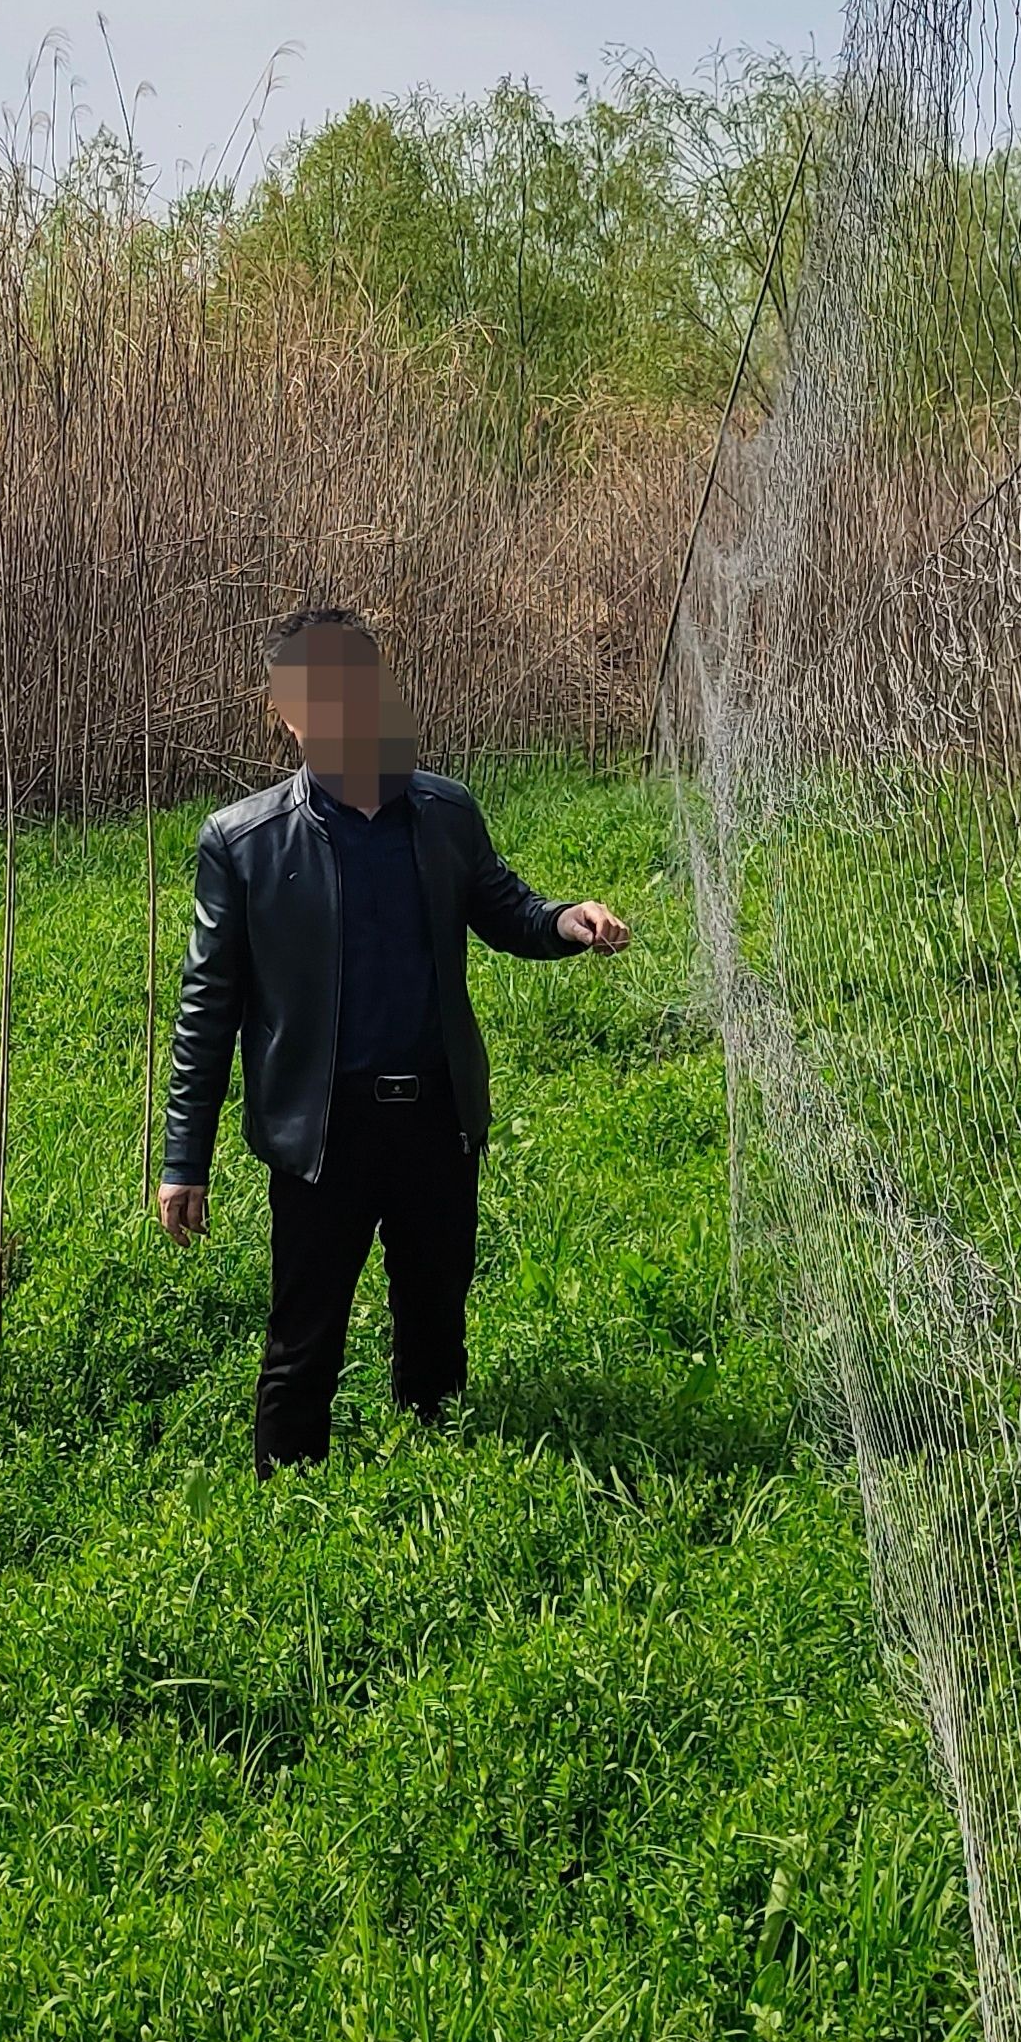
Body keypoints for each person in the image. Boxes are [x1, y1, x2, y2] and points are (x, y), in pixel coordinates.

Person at [155, 606, 630, 1470]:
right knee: (305, 1336)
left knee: (436, 1318)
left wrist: (567, 920)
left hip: (434, 1119)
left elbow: (504, 907)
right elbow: (206, 1005)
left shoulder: (444, 812)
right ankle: (286, 1499)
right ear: (284, 712)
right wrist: (184, 1158)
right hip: (321, 1132)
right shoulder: (243, 841)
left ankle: (435, 1476)